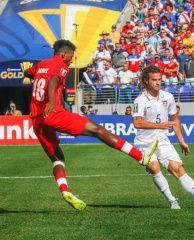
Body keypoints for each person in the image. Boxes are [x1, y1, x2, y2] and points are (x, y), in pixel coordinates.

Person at [23, 39, 158, 211]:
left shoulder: (42, 64)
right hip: (53, 113)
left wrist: (31, 75)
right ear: (63, 54)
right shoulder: (61, 66)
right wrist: (50, 100)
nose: (71, 61)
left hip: (37, 120)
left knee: (58, 159)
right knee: (98, 130)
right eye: (71, 57)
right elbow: (53, 81)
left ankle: (65, 191)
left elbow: (28, 72)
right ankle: (140, 157)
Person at [132, 65, 194, 209]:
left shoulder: (168, 97)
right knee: (154, 166)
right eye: (154, 80)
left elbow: (174, 118)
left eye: (159, 80)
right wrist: (159, 126)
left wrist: (182, 141)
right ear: (146, 81)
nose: (158, 82)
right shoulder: (140, 100)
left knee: (177, 168)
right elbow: (137, 122)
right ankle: (172, 201)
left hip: (162, 140)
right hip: (144, 143)